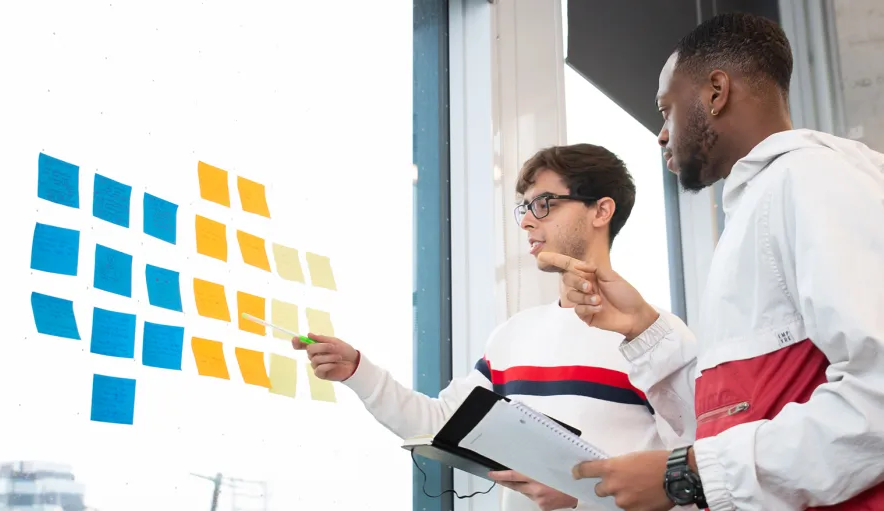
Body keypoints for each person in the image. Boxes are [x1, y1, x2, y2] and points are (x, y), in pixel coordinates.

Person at [547, 11, 884, 511]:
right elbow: (737, 414)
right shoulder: (760, 204)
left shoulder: (812, 181)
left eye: (666, 109)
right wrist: (641, 327)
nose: (662, 134)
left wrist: (685, 474)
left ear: (715, 91)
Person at [293, 143, 697, 511]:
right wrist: (357, 371)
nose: (526, 222)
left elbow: (698, 483)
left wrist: (580, 497)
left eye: (544, 203)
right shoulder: (512, 337)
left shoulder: (657, 337)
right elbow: (439, 424)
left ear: (601, 211)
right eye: (523, 208)